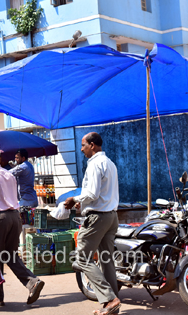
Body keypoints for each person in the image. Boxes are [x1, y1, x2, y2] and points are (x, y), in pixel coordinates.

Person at [0, 148, 45, 306]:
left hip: (0, 219)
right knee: (8, 255)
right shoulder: (9, 175)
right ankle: (32, 283)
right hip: (15, 217)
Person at [64, 132, 121, 315]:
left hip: (98, 218)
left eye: (83, 145)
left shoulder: (96, 164)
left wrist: (75, 198)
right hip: (111, 216)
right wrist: (84, 201)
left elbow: (93, 193)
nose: (82, 149)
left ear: (93, 145)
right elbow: (100, 194)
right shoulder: (110, 164)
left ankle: (110, 298)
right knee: (106, 260)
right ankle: (111, 304)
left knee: (82, 258)